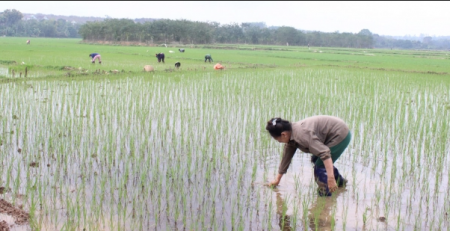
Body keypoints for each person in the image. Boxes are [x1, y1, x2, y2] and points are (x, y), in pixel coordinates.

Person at [266, 115, 351, 196]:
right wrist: (277, 180)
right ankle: (341, 183)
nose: (278, 141)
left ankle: (325, 198)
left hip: (340, 134)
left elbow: (325, 153)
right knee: (315, 159)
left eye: (277, 139)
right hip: (333, 132)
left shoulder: (302, 135)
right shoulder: (291, 135)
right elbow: (286, 158)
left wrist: (331, 178)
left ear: (284, 134)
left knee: (320, 167)